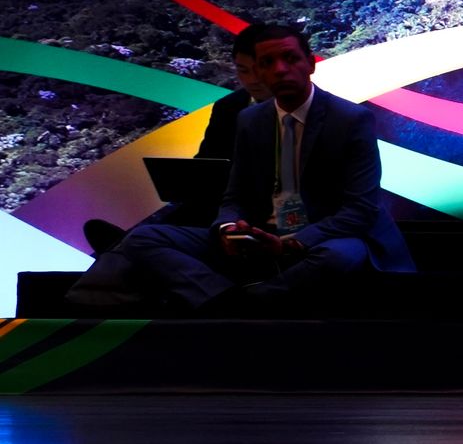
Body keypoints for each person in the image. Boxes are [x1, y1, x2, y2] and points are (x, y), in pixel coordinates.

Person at [69, 19, 410, 312]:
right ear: (258, 71)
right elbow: (234, 196)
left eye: (290, 59)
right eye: (267, 63)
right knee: (145, 238)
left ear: (310, 63)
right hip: (261, 234)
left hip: (322, 237)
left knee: (340, 257)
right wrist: (228, 228)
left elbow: (360, 211)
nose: (279, 70)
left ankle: (241, 304)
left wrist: (292, 243)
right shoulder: (250, 119)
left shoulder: (351, 119)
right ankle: (222, 300)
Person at [77, 41, 272, 260]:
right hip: (221, 196)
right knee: (183, 212)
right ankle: (123, 249)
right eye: (243, 70)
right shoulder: (229, 105)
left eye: (259, 70)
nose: (253, 79)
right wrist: (193, 177)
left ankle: (121, 251)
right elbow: (208, 156)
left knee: (166, 232)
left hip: (263, 203)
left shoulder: (303, 108)